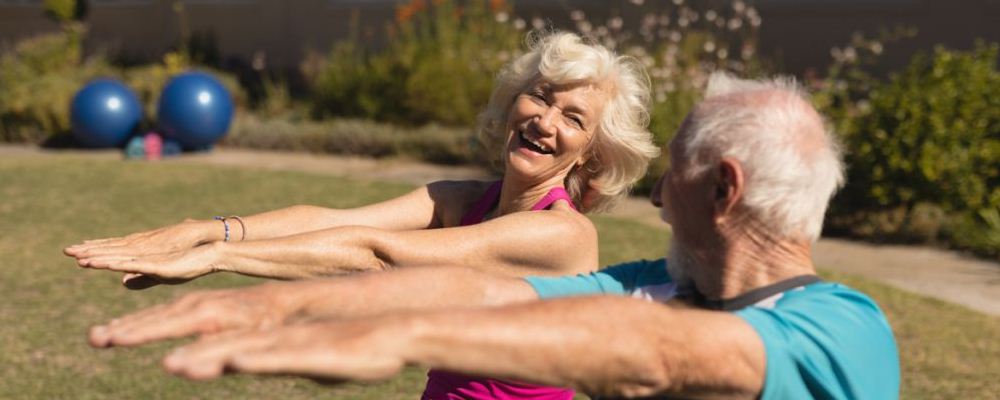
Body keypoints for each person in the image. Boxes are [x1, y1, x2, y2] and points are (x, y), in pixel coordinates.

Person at [86, 72, 900, 399]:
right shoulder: (662, 281)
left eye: (675, 172)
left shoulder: (843, 329)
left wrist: (396, 332)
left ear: (724, 187)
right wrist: (276, 305)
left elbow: (665, 351)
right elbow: (484, 291)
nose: (656, 195)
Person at [67, 32, 659, 399]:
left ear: (594, 153)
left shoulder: (559, 236)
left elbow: (378, 255)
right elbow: (331, 216)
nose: (545, 121)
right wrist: (205, 227)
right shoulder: (465, 201)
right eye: (541, 97)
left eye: (573, 118)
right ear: (514, 102)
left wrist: (219, 259)